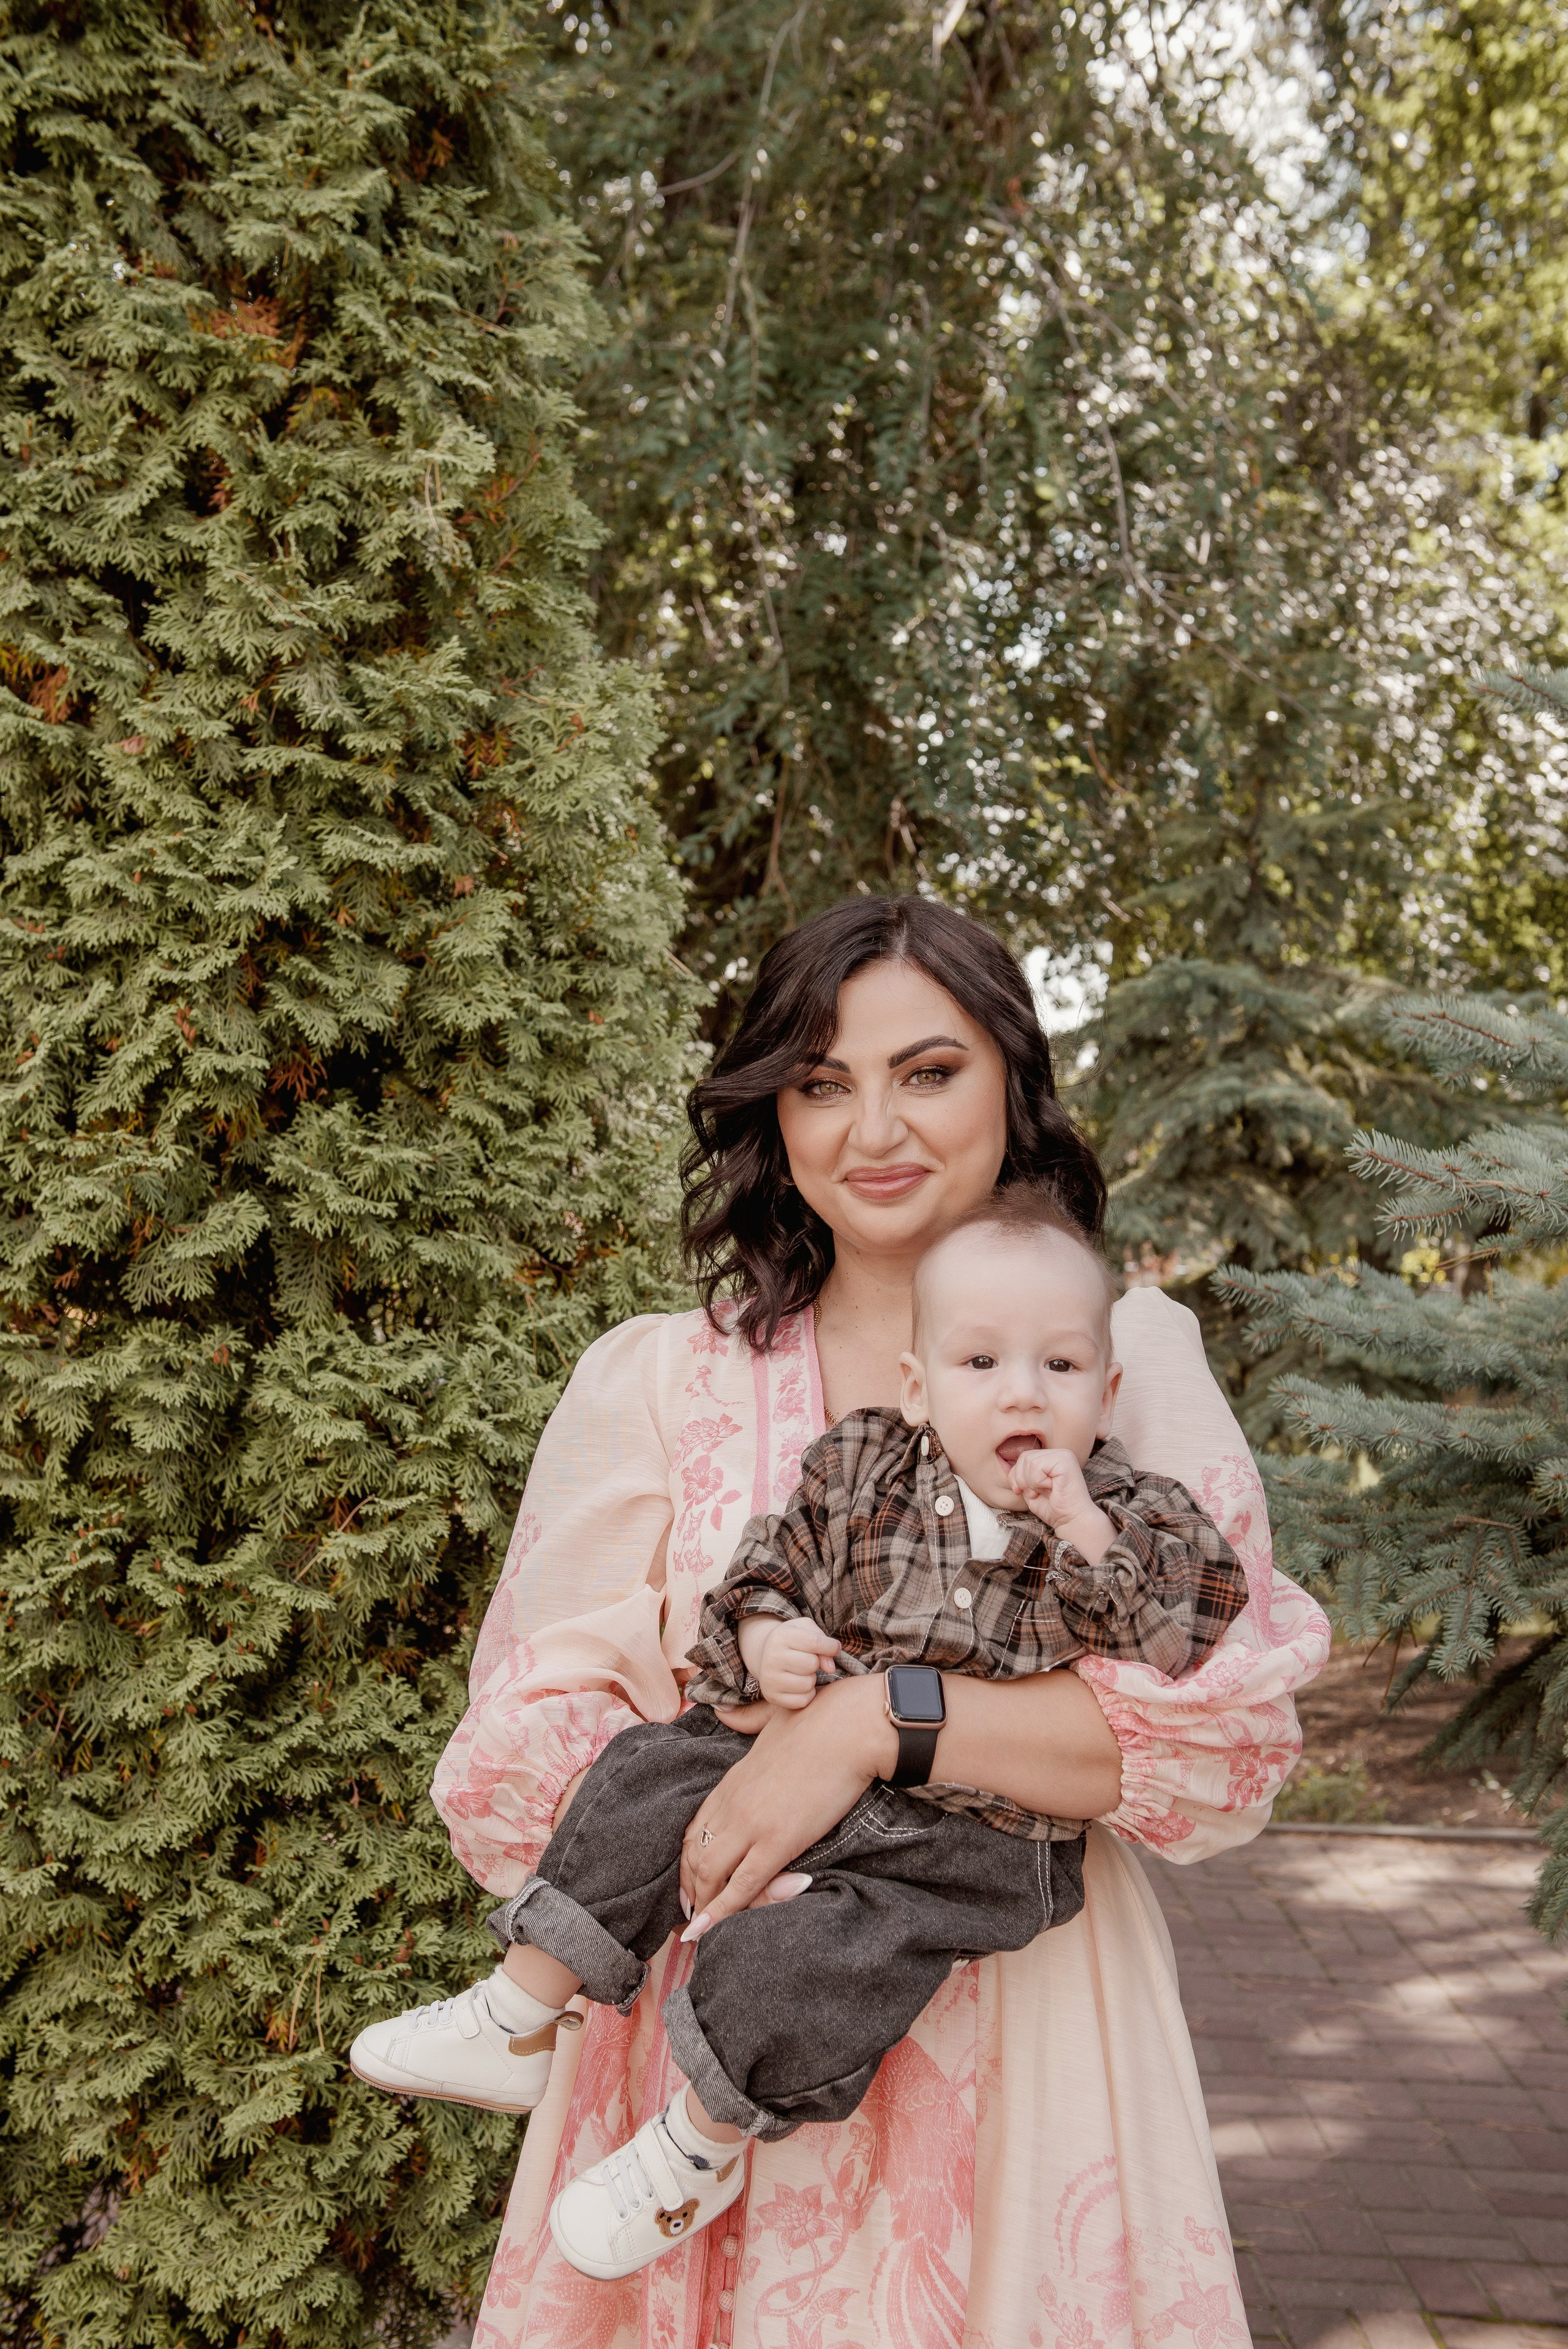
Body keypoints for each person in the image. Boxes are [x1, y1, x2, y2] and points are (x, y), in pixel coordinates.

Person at [421, 896, 1330, 2349]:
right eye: (821, 1082)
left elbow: (1218, 1747)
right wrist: (735, 1751)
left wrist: (866, 1723)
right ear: (772, 1115)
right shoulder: (658, 1379)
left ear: (1012, 1083)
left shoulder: (1118, 1356)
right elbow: (521, 1753)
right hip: (697, 2035)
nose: (874, 1128)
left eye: (928, 1071)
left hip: (1023, 2030)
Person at [350, 1188, 1250, 2286]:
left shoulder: (1139, 1512)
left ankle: (696, 2149)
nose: (1022, 1392)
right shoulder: (862, 1464)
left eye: (1059, 1367)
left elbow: (1183, 1641)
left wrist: (1085, 1528)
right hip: (786, 1749)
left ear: (1106, 1393)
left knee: (812, 1962)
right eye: (981, 1364)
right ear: (919, 1386)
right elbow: (766, 1569)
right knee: (651, 1770)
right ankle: (519, 2006)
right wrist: (766, 1637)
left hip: (975, 1839)